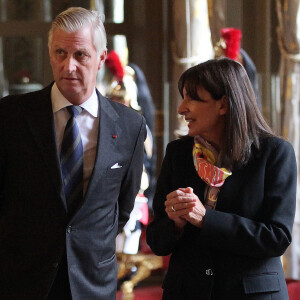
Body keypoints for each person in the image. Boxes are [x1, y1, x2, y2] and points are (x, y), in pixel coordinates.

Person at [0, 7, 146, 300]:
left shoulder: (130, 125)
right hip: (23, 279)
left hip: (92, 282)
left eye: (80, 55)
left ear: (101, 58)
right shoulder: (11, 116)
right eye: (60, 53)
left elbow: (121, 207)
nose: (68, 66)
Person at [146, 58, 296, 300]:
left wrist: (206, 219)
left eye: (192, 98)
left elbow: (276, 238)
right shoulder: (177, 153)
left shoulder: (275, 153)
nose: (181, 108)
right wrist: (175, 223)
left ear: (223, 105)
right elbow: (157, 241)